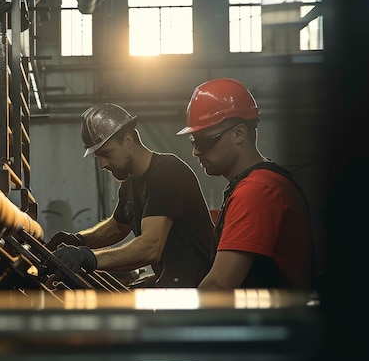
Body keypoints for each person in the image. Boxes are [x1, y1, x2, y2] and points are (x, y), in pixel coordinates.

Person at [45, 103, 215, 287]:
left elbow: (150, 247)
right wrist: (79, 240)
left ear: (128, 140)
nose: (102, 164)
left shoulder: (166, 173)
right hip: (177, 287)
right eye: (98, 157)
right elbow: (118, 227)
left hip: (204, 293)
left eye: (107, 153)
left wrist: (89, 257)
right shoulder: (131, 182)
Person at [176, 78, 314, 290]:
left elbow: (219, 285)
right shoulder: (260, 183)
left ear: (239, 134)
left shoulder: (256, 191)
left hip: (269, 321)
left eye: (204, 141)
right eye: (193, 141)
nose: (196, 151)